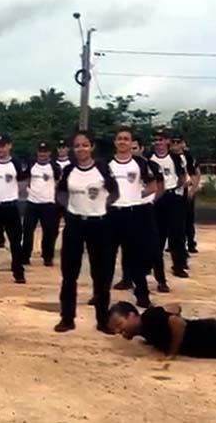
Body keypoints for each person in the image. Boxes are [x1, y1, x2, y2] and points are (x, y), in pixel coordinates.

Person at [54, 131, 119, 334]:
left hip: (98, 225)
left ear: (91, 147)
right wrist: (70, 210)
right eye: (77, 145)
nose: (80, 149)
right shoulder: (69, 170)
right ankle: (67, 318)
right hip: (75, 224)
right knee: (69, 274)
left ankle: (102, 319)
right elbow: (61, 193)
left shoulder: (102, 168)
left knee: (100, 275)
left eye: (85, 145)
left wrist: (100, 207)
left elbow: (115, 193)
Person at [108, 127, 156, 308]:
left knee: (134, 258)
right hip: (111, 215)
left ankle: (142, 296)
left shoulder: (140, 164)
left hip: (132, 215)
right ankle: (100, 295)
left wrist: (135, 196)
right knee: (106, 259)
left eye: (126, 139)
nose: (122, 142)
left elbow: (152, 187)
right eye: (119, 138)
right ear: (115, 142)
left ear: (131, 142)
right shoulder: (106, 164)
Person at [108, 301, 216, 359]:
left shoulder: (148, 317)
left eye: (119, 324)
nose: (118, 331)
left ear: (131, 315)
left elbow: (179, 323)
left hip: (208, 335)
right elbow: (175, 307)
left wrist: (172, 353)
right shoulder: (143, 329)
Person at [0, 134, 27, 284]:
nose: (1, 149)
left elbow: (22, 182)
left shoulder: (16, 163)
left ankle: (18, 272)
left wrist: (15, 195)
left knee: (15, 242)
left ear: (9, 146)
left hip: (10, 207)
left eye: (3, 145)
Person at [132, 139, 169, 293]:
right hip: (129, 209)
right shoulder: (122, 165)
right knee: (130, 247)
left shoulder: (150, 165)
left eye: (135, 147)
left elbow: (160, 186)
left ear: (141, 148)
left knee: (154, 246)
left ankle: (161, 280)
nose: (132, 150)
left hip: (146, 209)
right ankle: (128, 278)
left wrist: (152, 200)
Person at [150, 130, 189, 278]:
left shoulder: (176, 158)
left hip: (173, 198)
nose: (158, 142)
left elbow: (182, 176)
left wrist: (175, 189)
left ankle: (178, 265)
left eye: (161, 139)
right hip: (157, 199)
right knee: (156, 235)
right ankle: (153, 265)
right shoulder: (150, 158)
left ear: (167, 141)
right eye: (156, 140)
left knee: (177, 235)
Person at [22, 141, 61, 267]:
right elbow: (27, 179)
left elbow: (58, 181)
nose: (42, 154)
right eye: (40, 151)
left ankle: (47, 257)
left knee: (49, 232)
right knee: (27, 231)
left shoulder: (54, 166)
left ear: (49, 153)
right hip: (32, 203)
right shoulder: (32, 164)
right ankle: (25, 256)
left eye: (45, 151)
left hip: (48, 203)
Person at [173, 136, 200, 254]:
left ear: (183, 143)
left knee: (189, 218)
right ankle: (175, 244)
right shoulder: (169, 157)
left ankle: (191, 243)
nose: (175, 144)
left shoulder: (189, 157)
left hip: (187, 189)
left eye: (178, 142)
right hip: (174, 191)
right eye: (173, 142)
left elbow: (196, 173)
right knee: (175, 220)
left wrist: (193, 189)